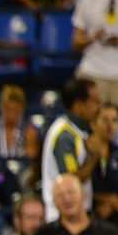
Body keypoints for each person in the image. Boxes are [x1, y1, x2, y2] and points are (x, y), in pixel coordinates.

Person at [41, 78, 104, 221]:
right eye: (94, 101)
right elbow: (71, 180)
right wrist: (93, 156)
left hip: (76, 214)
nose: (99, 106)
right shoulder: (64, 135)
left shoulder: (81, 131)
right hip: (60, 217)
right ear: (78, 105)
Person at [91, 104, 118, 231]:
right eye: (105, 120)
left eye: (114, 120)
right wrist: (109, 199)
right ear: (93, 123)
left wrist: (115, 204)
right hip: (90, 216)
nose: (110, 126)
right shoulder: (82, 151)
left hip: (117, 221)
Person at [0, 85, 39, 160]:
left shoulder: (29, 132)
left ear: (21, 109)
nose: (11, 114)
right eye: (8, 109)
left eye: (15, 110)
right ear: (2, 107)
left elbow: (31, 159)